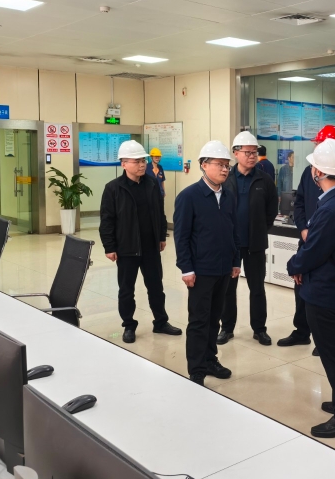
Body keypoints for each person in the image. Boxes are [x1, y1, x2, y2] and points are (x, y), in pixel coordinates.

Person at [286, 138, 335, 438]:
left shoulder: (332, 207)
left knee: (334, 357)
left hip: (324, 292)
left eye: (314, 168)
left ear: (318, 172)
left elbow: (314, 249)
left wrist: (294, 265)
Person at [277, 125, 335, 353]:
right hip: (309, 239)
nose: (316, 149)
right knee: (302, 289)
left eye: (319, 145)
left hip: (330, 244)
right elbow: (299, 203)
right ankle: (302, 331)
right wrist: (303, 229)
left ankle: (327, 338)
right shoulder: (309, 172)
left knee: (329, 297)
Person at [99, 141, 181, 344]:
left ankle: (160, 322)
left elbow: (160, 212)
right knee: (127, 290)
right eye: (136, 161)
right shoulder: (113, 188)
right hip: (126, 248)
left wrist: (161, 236)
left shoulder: (151, 184)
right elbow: (107, 220)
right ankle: (129, 325)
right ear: (124, 163)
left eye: (143, 160)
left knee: (156, 287)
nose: (142, 164)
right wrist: (109, 246)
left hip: (150, 246)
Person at [174, 140, 240, 386]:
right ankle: (197, 368)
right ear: (204, 165)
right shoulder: (189, 196)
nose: (224, 169)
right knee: (199, 321)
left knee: (214, 319)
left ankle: (211, 360)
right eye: (219, 164)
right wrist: (186, 268)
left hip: (224, 269)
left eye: (227, 165)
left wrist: (235, 261)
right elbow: (181, 237)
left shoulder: (229, 196)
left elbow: (233, 231)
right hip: (201, 270)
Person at [218, 131, 278, 346]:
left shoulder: (265, 180)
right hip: (230, 245)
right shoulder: (226, 178)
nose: (252, 156)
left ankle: (259, 329)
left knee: (257, 288)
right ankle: (226, 328)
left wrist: (259, 229)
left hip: (255, 244)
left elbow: (271, 211)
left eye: (255, 152)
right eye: (248, 152)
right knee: (228, 289)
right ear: (236, 153)